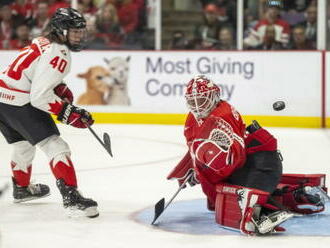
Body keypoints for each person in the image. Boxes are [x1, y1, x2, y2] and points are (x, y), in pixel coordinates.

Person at [167, 75, 327, 235]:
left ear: (214, 96)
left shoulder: (222, 116)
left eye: (201, 100)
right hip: (247, 165)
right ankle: (293, 194)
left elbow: (235, 160)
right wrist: (194, 168)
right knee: (228, 195)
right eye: (192, 101)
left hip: (261, 164)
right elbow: (196, 149)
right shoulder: (192, 120)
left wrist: (203, 171)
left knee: (246, 200)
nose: (197, 106)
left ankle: (280, 205)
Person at [0, 7, 99, 218]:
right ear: (61, 30)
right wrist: (68, 113)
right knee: (55, 145)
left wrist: (59, 86)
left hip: (2, 99)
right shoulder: (59, 52)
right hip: (20, 102)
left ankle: (22, 188)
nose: (80, 36)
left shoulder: (42, 41)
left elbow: (34, 73)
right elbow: (39, 96)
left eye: (81, 32)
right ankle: (72, 198)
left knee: (22, 145)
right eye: (75, 32)